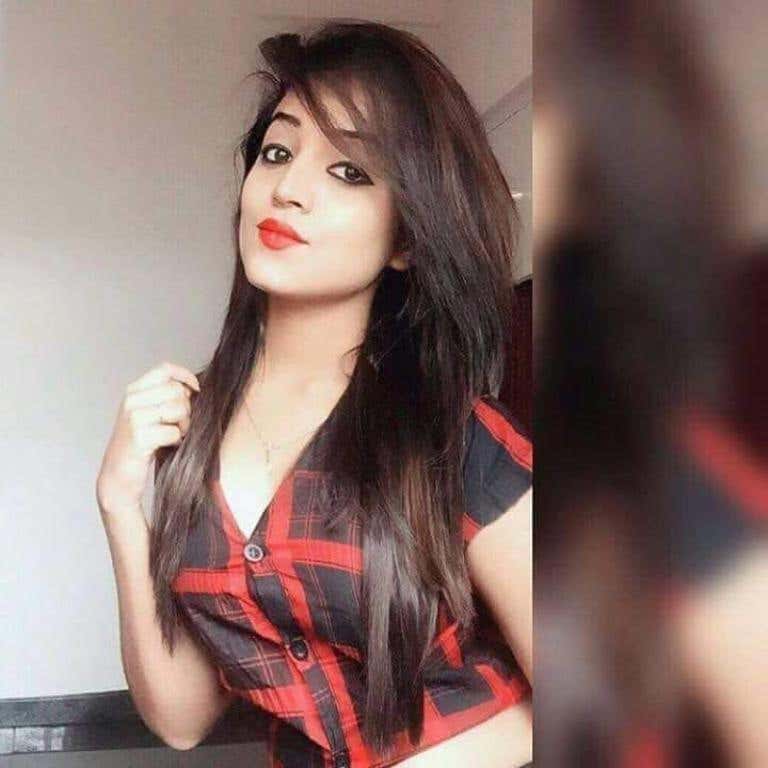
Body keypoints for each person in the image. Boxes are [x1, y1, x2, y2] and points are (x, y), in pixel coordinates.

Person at [95, 20, 532, 768]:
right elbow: (181, 719)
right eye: (278, 152)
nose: (289, 189)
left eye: (349, 171)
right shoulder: (191, 433)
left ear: (406, 240)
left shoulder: (454, 438)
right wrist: (119, 505)